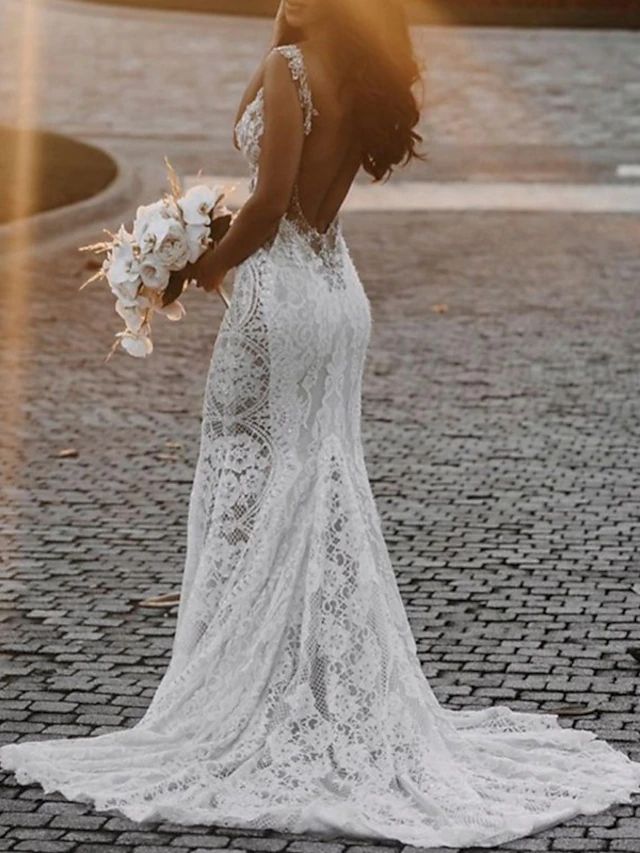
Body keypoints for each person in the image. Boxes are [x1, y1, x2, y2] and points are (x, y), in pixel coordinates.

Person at [1, 0, 639, 847]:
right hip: (338, 296)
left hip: (281, 298)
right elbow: (298, 189)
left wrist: (194, 274)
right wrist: (281, 36)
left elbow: (266, 205)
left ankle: (263, 692)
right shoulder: (355, 76)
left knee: (248, 473)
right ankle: (311, 681)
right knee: (318, 478)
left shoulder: (290, 71)